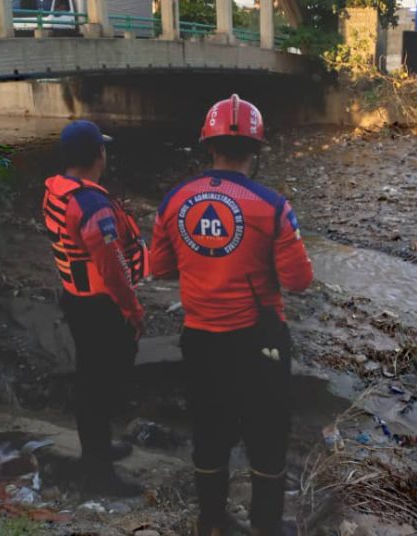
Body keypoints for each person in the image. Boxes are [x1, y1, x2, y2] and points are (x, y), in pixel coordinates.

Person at [151, 95, 314, 536]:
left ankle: (211, 521)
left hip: (201, 338)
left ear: (209, 146)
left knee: (209, 431)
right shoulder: (272, 206)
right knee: (267, 434)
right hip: (258, 342)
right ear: (256, 151)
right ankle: (265, 525)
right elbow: (299, 280)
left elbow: (159, 268)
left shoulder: (174, 201)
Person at [42, 120, 149, 496]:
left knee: (92, 380)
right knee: (100, 386)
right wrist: (133, 309)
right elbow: (113, 267)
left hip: (77, 299)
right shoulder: (92, 206)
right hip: (101, 308)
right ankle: (99, 474)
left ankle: (98, 450)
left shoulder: (60, 190)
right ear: (99, 155)